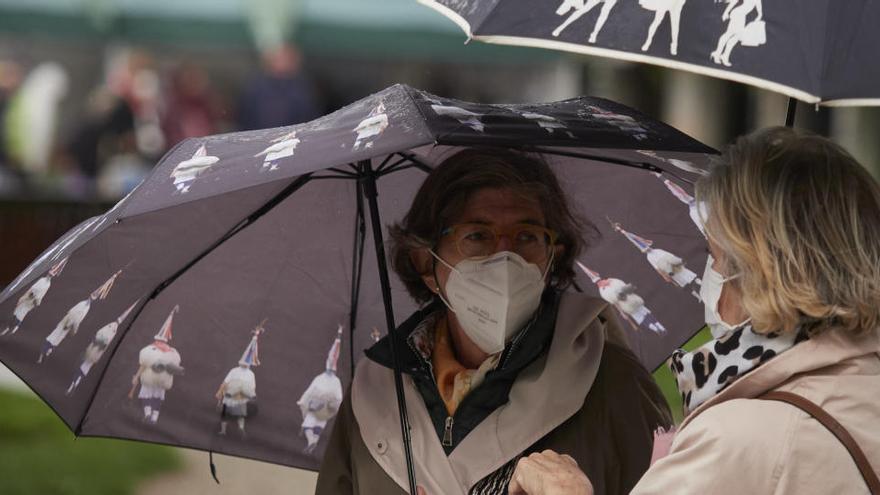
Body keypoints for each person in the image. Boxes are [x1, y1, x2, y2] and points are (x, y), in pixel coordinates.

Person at [508, 127, 880, 494]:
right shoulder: (862, 391)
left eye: (713, 256)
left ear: (759, 271)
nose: (708, 276)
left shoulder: (740, 439)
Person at [316, 148, 672, 494]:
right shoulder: (375, 391)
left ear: (552, 257)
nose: (505, 257)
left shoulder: (609, 379)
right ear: (427, 264)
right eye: (478, 236)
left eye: (526, 236)